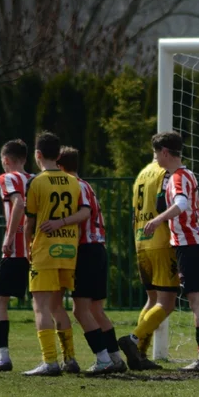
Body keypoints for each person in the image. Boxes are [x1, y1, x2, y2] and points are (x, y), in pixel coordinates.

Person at [129, 132, 199, 371]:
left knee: (197, 302)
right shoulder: (179, 175)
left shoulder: (178, 177)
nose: (156, 158)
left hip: (189, 245)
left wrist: (158, 220)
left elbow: (181, 204)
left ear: (165, 152)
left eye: (157, 153)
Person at [41, 147, 125, 376]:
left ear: (59, 165)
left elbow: (85, 213)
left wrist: (60, 223)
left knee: (80, 310)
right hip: (98, 248)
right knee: (96, 310)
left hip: (87, 250)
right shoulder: (86, 185)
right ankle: (115, 358)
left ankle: (103, 359)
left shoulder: (74, 185)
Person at [22, 131, 87, 377]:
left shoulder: (36, 182)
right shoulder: (72, 181)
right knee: (57, 305)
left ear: (37, 155)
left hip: (45, 250)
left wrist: (28, 246)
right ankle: (69, 358)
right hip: (68, 250)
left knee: (40, 307)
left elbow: (30, 221)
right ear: (59, 155)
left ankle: (49, 362)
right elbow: (83, 212)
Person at [0, 140, 31, 373]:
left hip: (17, 252)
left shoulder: (8, 178)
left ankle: (3, 357)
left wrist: (9, 237)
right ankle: (66, 357)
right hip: (38, 249)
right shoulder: (35, 179)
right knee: (48, 304)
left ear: (6, 160)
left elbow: (19, 203)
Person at [129, 153, 177, 370]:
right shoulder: (165, 172)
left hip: (141, 241)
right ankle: (134, 341)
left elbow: (134, 212)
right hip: (160, 241)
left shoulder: (141, 174)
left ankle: (139, 353)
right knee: (166, 303)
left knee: (152, 300)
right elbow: (163, 205)